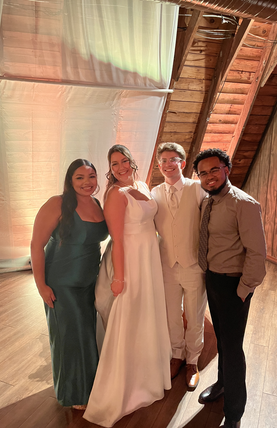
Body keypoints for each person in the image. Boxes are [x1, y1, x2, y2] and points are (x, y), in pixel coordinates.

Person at [84, 144, 172, 427]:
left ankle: (147, 372)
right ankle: (124, 384)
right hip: (130, 259)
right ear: (110, 169)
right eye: (114, 164)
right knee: (129, 316)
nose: (120, 167)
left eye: (124, 161)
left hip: (148, 257)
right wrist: (119, 277)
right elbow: (118, 240)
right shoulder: (115, 194)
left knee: (146, 314)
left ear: (132, 162)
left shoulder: (142, 185)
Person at [193, 148, 267, 428]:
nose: (209, 177)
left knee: (233, 348)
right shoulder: (208, 201)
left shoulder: (244, 204)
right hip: (212, 278)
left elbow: (257, 253)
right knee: (222, 340)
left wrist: (244, 290)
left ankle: (234, 414)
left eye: (214, 169)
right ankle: (222, 384)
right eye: (203, 173)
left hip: (235, 284)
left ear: (227, 169)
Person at [29, 159, 109, 410]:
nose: (87, 182)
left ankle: (89, 386)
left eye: (91, 176)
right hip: (61, 283)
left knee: (85, 334)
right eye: (80, 177)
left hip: (89, 282)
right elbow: (36, 246)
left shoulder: (97, 203)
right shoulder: (57, 203)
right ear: (70, 180)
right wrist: (41, 285)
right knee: (68, 338)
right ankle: (73, 394)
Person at [149, 142, 207, 391]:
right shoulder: (154, 192)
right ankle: (176, 355)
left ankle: (192, 361)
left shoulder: (198, 188)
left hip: (194, 265)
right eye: (163, 160)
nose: (167, 164)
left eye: (172, 159)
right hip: (167, 265)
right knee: (171, 314)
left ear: (182, 163)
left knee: (194, 316)